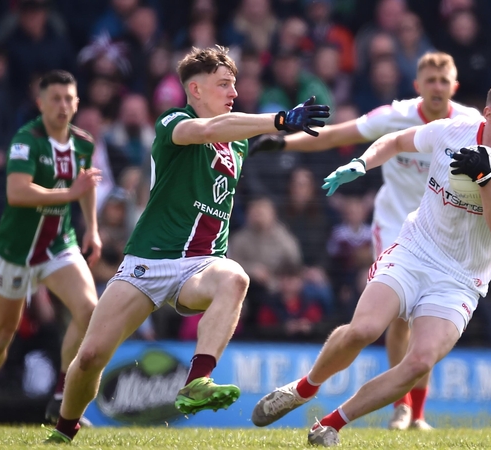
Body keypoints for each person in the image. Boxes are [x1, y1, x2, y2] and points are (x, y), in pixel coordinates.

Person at [43, 45, 329, 443]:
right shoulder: (174, 120)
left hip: (201, 263)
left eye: (233, 84)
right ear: (195, 90)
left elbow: (233, 131)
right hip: (148, 260)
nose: (233, 92)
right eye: (223, 84)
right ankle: (64, 430)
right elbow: (209, 131)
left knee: (235, 279)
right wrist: (279, 119)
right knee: (90, 357)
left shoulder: (241, 140)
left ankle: (198, 381)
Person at [251, 51, 491, 430]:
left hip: (460, 277)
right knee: (364, 330)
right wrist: (359, 164)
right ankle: (304, 389)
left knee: (419, 361)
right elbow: (390, 140)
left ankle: (333, 424)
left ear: (454, 87)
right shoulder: (447, 129)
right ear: (488, 115)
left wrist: (489, 183)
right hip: (413, 247)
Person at [0, 70, 100, 426]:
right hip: (17, 251)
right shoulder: (26, 140)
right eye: (55, 98)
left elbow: (85, 185)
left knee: (89, 311)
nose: (62, 105)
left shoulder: (83, 143)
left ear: (77, 103)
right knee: (1, 335)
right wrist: (69, 195)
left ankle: (62, 399)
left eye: (68, 99)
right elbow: (17, 191)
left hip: (59, 245)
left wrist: (92, 228)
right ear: (40, 102)